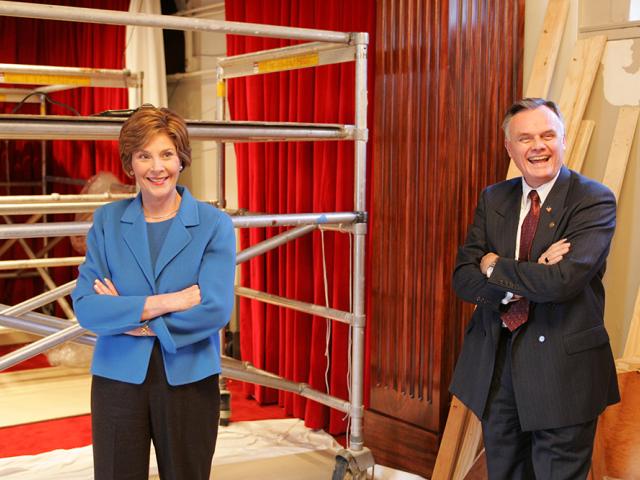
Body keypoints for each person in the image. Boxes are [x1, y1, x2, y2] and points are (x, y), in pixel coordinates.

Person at [450, 98, 619, 479]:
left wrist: (494, 265)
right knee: (505, 472)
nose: (537, 146)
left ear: (563, 140)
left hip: (563, 371)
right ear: (509, 148)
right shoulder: (494, 198)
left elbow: (562, 282)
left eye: (547, 135)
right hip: (496, 366)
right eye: (525, 138)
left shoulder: (593, 199)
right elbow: (463, 277)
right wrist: (525, 277)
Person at [72, 106, 236, 480]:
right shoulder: (108, 221)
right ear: (131, 163)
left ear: (181, 158)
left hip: (188, 379)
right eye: (144, 156)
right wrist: (169, 302)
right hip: (117, 379)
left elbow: (214, 308)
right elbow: (87, 307)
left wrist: (130, 317)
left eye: (166, 154)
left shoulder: (213, 225)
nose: (156, 167)